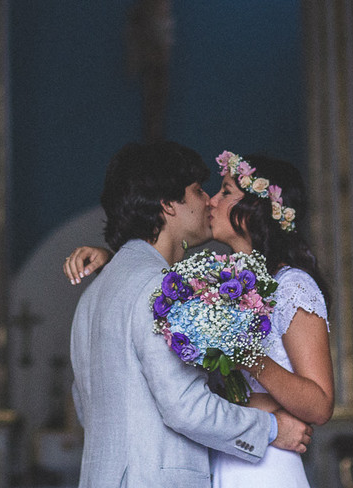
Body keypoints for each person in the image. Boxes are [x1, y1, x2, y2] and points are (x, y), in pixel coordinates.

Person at [65, 150, 334, 488]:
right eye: (199, 190)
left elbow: (86, 403)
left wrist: (114, 261)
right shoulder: (160, 288)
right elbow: (184, 405)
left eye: (222, 191)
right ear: (168, 205)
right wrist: (273, 427)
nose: (208, 201)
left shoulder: (95, 293)